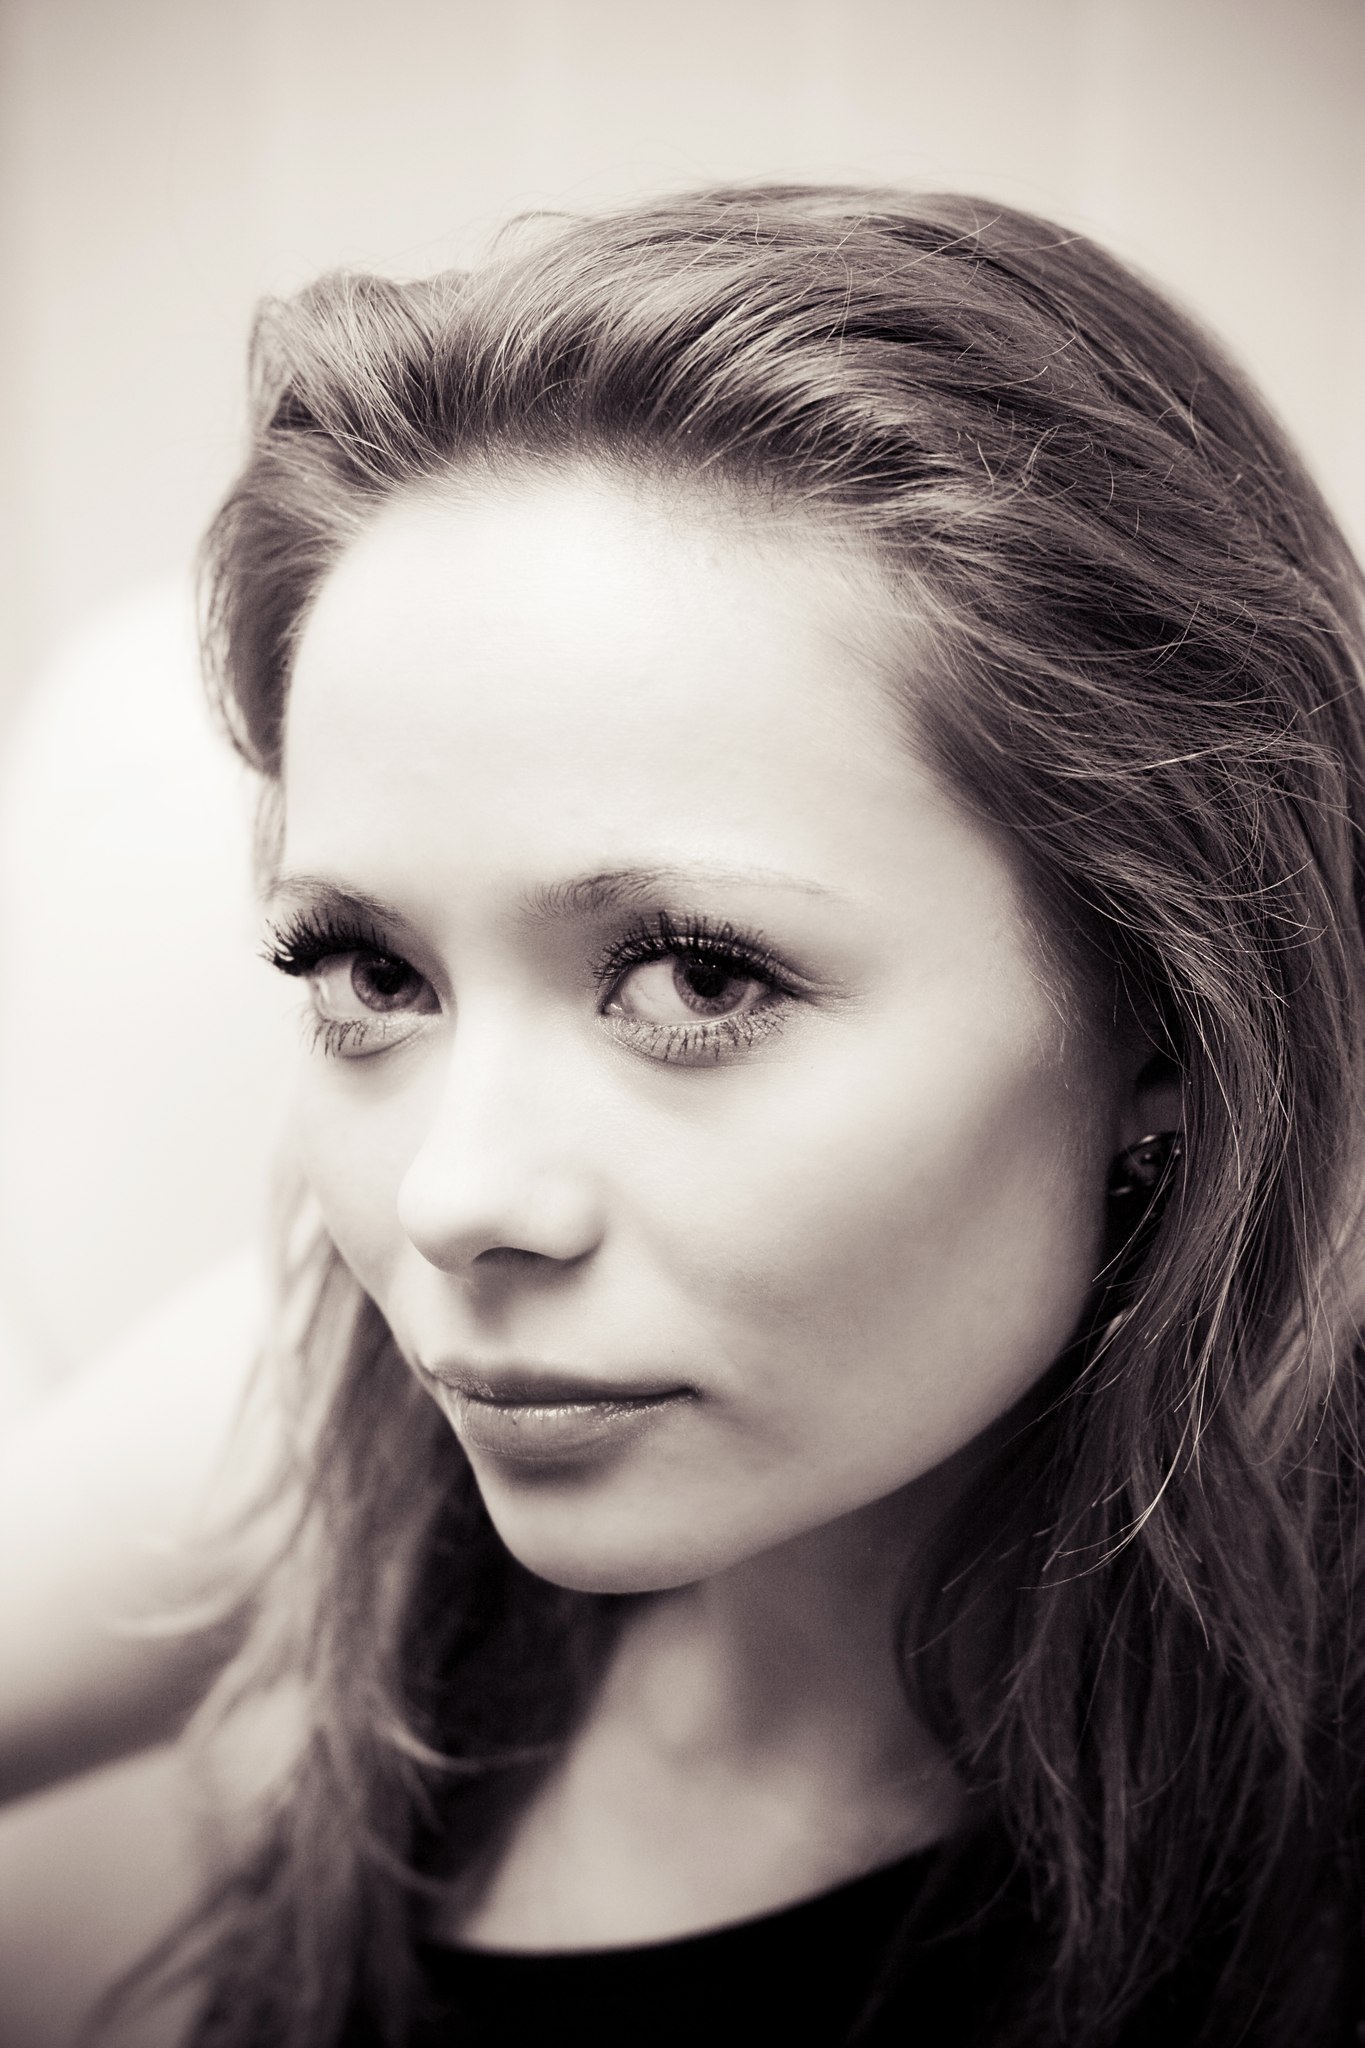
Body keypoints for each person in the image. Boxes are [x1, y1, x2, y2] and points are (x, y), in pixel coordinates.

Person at [16, 183, 1365, 2046]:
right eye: (372, 973)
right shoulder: (343, 1417)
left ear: (1169, 1022)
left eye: (699, 981)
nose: (454, 1198)